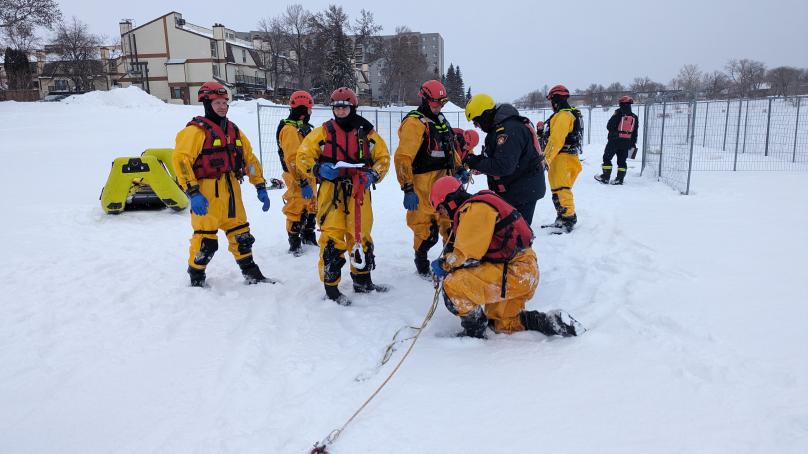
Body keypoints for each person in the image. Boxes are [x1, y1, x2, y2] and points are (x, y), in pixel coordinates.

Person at [429, 176, 582, 338]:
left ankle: (474, 331)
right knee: (502, 323)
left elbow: (465, 256)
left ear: (450, 201)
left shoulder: (474, 210)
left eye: (441, 209)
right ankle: (549, 321)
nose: (443, 214)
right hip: (524, 271)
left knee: (453, 284)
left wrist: (443, 265)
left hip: (514, 271)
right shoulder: (481, 202)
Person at [296, 87, 391, 305]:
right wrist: (318, 170)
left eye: (344, 107)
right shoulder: (322, 133)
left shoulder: (367, 133)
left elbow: (383, 158)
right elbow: (303, 156)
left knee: (361, 235)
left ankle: (362, 280)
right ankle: (331, 289)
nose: (340, 111)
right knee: (332, 238)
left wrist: (373, 175)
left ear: (353, 107)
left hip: (359, 191)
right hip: (332, 193)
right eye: (336, 108)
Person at [173, 81, 272, 287]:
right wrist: (193, 192)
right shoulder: (194, 132)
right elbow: (182, 162)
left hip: (231, 191)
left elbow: (250, 160)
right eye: (217, 102)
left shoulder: (234, 131)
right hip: (206, 194)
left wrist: (260, 185)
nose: (222, 106)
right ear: (207, 103)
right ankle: (196, 276)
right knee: (206, 242)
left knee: (242, 236)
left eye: (224, 102)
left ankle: (252, 273)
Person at [394, 80, 464, 277]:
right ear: (424, 99)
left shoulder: (441, 120)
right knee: (426, 230)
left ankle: (450, 264)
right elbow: (403, 158)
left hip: (446, 183)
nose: (438, 107)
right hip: (423, 185)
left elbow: (450, 148)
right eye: (435, 103)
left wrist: (458, 168)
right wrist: (407, 187)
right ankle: (422, 262)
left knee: (451, 225)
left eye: (441, 103)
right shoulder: (414, 123)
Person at [462, 93, 546, 225]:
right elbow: (498, 158)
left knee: (515, 235)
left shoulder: (509, 130)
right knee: (508, 234)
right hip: (517, 188)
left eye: (476, 121)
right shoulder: (501, 128)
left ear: (484, 115)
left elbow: (503, 166)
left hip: (522, 191)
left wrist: (476, 162)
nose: (476, 126)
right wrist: (477, 161)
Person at [277, 90, 317, 256]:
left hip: (308, 175)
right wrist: (302, 182)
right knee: (296, 207)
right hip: (296, 177)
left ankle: (308, 236)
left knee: (311, 206)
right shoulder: (289, 130)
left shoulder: (301, 128)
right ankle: (295, 243)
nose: (310, 114)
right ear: (303, 112)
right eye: (309, 110)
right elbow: (293, 159)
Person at [542, 84, 584, 233]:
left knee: (562, 189)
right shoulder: (569, 114)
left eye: (551, 100)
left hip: (563, 158)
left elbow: (556, 140)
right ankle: (561, 218)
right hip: (565, 157)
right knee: (557, 190)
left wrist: (545, 158)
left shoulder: (563, 116)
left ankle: (568, 220)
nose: (551, 104)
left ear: (555, 99)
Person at [595, 95, 639, 185]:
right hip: (626, 142)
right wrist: (632, 143)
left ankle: (605, 177)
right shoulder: (634, 117)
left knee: (607, 158)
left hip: (614, 141)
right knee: (622, 161)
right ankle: (619, 179)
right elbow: (635, 132)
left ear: (621, 103)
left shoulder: (618, 113)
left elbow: (609, 126)